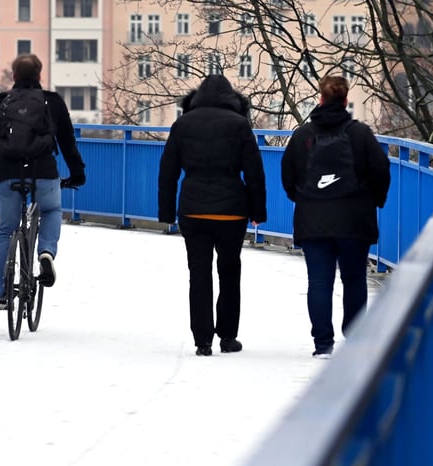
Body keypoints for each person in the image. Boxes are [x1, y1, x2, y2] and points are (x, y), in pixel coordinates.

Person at [280, 75, 391, 358]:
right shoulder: (360, 134)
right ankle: (354, 341)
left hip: (313, 218)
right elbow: (380, 171)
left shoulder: (303, 136)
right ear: (345, 100)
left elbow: (288, 176)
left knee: (319, 281)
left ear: (320, 99)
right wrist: (373, 200)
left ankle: (323, 344)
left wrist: (304, 199)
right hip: (354, 218)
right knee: (354, 280)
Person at [158, 75, 267, 357]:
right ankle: (228, 337)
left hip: (193, 210)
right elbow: (254, 172)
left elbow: (168, 172)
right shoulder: (240, 125)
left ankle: (202, 340)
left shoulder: (182, 124)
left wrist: (167, 211)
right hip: (231, 211)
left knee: (199, 274)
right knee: (230, 272)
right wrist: (258, 211)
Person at [0, 53, 86, 310]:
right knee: (51, 209)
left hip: (7, 172)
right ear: (40, 75)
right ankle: (46, 251)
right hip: (43, 170)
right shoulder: (52, 102)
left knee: (6, 230)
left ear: (14, 76)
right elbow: (67, 142)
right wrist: (77, 172)